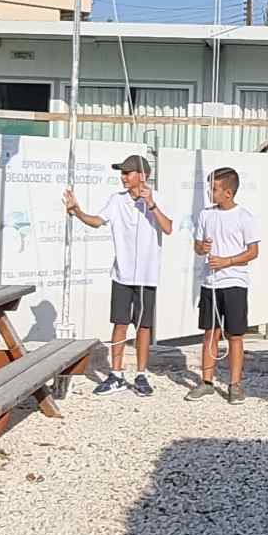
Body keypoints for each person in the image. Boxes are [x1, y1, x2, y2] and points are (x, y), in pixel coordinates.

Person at [63, 154, 173, 396]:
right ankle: (116, 374)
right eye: (121, 173)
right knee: (120, 324)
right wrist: (77, 212)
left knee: (143, 326)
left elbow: (168, 228)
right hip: (122, 275)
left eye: (127, 173)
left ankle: (141, 374)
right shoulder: (116, 199)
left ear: (142, 176)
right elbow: (97, 221)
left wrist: (151, 204)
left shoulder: (158, 198)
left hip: (146, 276)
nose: (123, 177)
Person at [186, 166, 261, 404]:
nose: (210, 192)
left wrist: (227, 261)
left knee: (234, 335)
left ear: (228, 193)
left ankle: (234, 385)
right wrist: (202, 248)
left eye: (214, 189)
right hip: (210, 283)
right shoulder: (205, 215)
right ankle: (206, 382)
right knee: (210, 332)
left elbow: (253, 251)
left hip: (234, 283)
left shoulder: (244, 217)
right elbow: (198, 247)